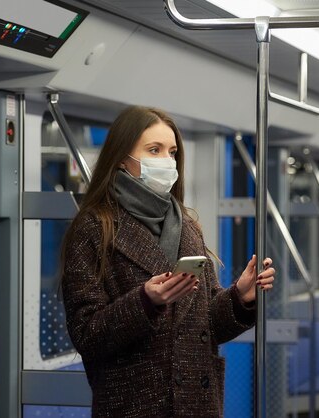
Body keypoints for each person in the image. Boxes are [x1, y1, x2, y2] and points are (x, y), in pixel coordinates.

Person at [61, 105, 275, 417]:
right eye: (154, 150)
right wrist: (145, 301)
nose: (167, 161)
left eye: (172, 152)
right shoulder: (95, 228)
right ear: (122, 158)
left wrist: (239, 299)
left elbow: (208, 324)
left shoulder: (187, 227)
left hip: (197, 403)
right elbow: (87, 334)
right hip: (134, 404)